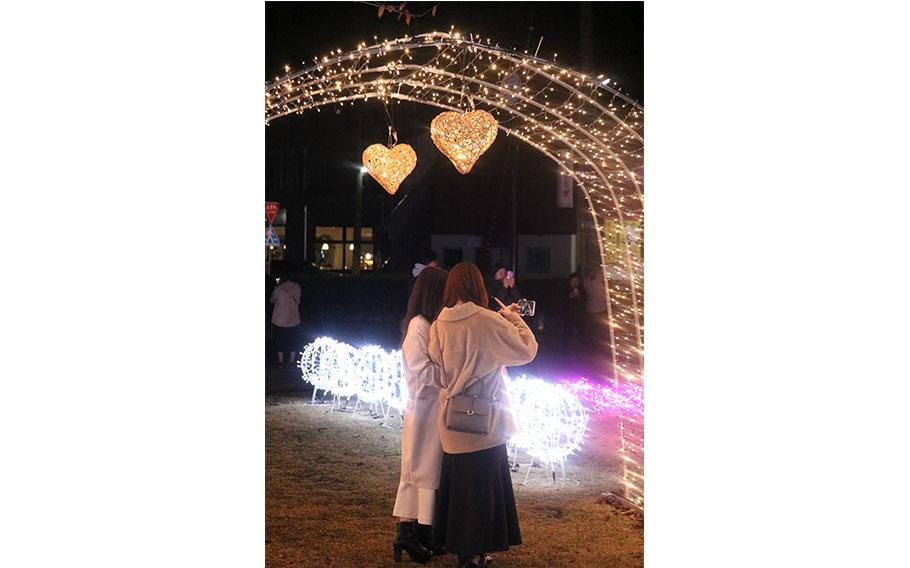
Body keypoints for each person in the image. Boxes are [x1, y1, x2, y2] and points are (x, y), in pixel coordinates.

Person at [428, 262, 538, 568]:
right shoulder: (487, 321)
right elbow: (526, 350)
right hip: (485, 417)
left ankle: (463, 549)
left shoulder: (439, 323)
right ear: (478, 286)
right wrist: (514, 319)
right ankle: (478, 551)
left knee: (460, 486)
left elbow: (436, 365)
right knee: (484, 488)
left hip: (453, 418)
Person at [392, 266, 449, 564]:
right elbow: (420, 370)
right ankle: (410, 532)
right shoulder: (419, 325)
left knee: (425, 469)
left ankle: (421, 531)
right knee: (419, 469)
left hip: (430, 408)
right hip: (424, 408)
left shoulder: (427, 323)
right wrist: (451, 374)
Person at [269, 267, 302, 367]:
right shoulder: (297, 287)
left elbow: (272, 300)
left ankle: (280, 361)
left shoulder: (278, 288)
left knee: (280, 339)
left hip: (279, 319)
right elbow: (299, 300)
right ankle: (292, 360)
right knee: (292, 339)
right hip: (293, 318)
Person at [563, 272, 588, 353]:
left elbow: (584, 300)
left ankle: (583, 348)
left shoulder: (582, 290)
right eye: (573, 281)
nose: (575, 283)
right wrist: (570, 296)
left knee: (581, 332)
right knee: (567, 332)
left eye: (576, 281)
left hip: (580, 315)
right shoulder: (566, 290)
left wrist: (579, 296)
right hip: (568, 315)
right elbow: (562, 302)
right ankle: (566, 349)